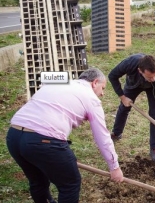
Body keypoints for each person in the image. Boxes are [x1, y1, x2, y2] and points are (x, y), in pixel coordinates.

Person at [6, 68, 124, 203]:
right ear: (94, 82)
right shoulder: (90, 98)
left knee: (38, 181)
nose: (102, 94)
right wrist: (114, 167)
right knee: (70, 184)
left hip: (14, 136)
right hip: (43, 141)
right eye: (102, 88)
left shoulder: (59, 82)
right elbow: (102, 137)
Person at [109, 54, 155, 162]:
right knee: (124, 108)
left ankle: (154, 148)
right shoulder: (130, 63)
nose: (152, 79)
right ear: (140, 71)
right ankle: (116, 133)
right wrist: (123, 97)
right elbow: (112, 76)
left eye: (154, 76)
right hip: (134, 84)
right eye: (149, 77)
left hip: (154, 90)